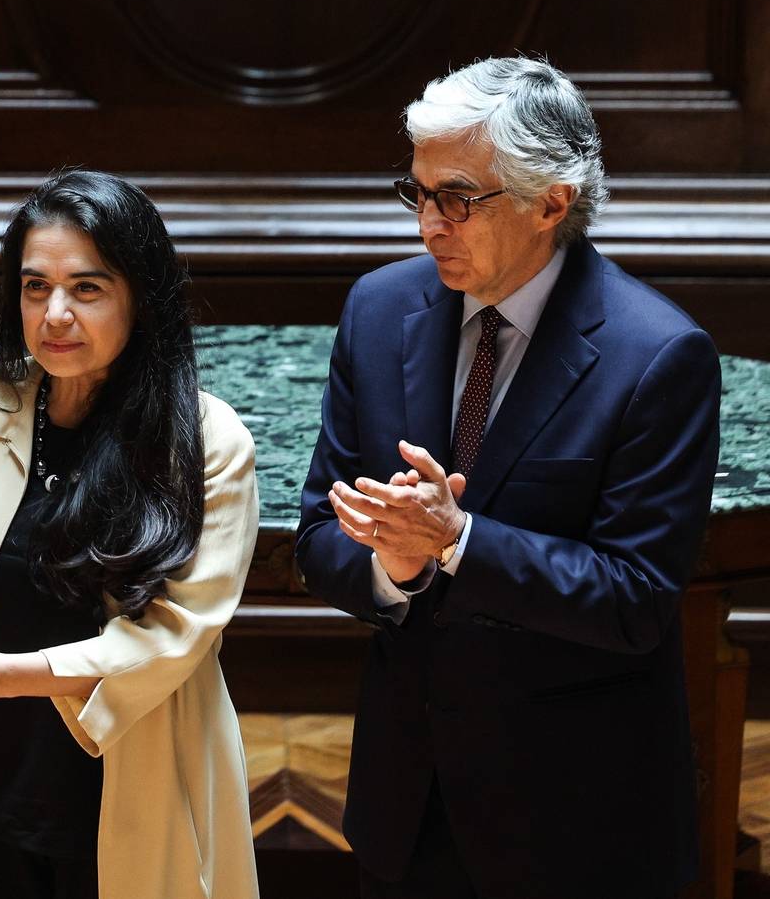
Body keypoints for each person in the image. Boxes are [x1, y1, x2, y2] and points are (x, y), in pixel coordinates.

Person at [294, 57, 721, 899]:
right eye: (416, 194)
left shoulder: (657, 356)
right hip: (407, 803)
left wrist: (460, 542)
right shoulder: (379, 312)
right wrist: (396, 566)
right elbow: (317, 534)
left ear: (551, 202)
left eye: (456, 198)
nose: (428, 226)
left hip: (574, 823)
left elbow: (635, 599)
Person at [0, 171, 261, 899]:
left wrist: (5, 675)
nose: (54, 314)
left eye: (87, 288)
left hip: (129, 775)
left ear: (140, 298)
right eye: (34, 286)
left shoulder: (207, 440)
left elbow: (173, 633)